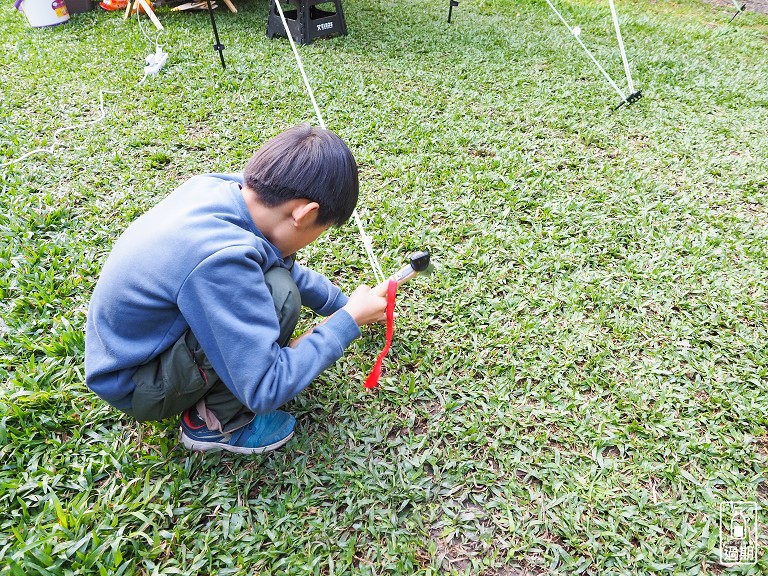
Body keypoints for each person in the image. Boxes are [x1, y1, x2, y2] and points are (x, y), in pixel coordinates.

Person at [85, 124, 388, 454]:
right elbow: (266, 387)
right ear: (305, 213)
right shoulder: (222, 260)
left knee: (277, 283)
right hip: (136, 382)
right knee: (280, 296)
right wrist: (347, 322)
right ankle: (214, 425)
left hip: (129, 347)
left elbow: (276, 262)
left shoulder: (225, 190)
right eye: (323, 229)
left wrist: (346, 304)